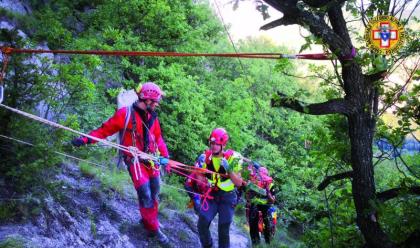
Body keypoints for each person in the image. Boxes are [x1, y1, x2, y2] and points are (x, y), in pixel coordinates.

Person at [71, 82, 170, 245]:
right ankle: (154, 229)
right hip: (134, 161)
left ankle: (147, 220)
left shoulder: (152, 117)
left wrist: (166, 158)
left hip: (151, 160)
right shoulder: (125, 114)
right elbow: (104, 130)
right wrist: (85, 139)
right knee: (145, 193)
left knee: (155, 192)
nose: (156, 104)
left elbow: (158, 138)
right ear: (145, 99)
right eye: (154, 101)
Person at [196, 128, 244, 248]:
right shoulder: (206, 158)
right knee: (202, 223)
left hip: (228, 197)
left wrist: (229, 169)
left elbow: (238, 183)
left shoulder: (233, 159)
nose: (214, 146)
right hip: (212, 195)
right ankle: (207, 245)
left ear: (223, 144)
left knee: (223, 229)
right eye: (212, 143)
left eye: (217, 144)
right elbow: (201, 178)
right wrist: (198, 171)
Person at [246, 163, 276, 245]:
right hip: (262, 206)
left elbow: (248, 196)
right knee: (263, 225)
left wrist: (267, 191)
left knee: (255, 226)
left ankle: (258, 243)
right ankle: (264, 243)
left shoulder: (256, 181)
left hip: (259, 206)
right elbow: (273, 200)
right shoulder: (257, 181)